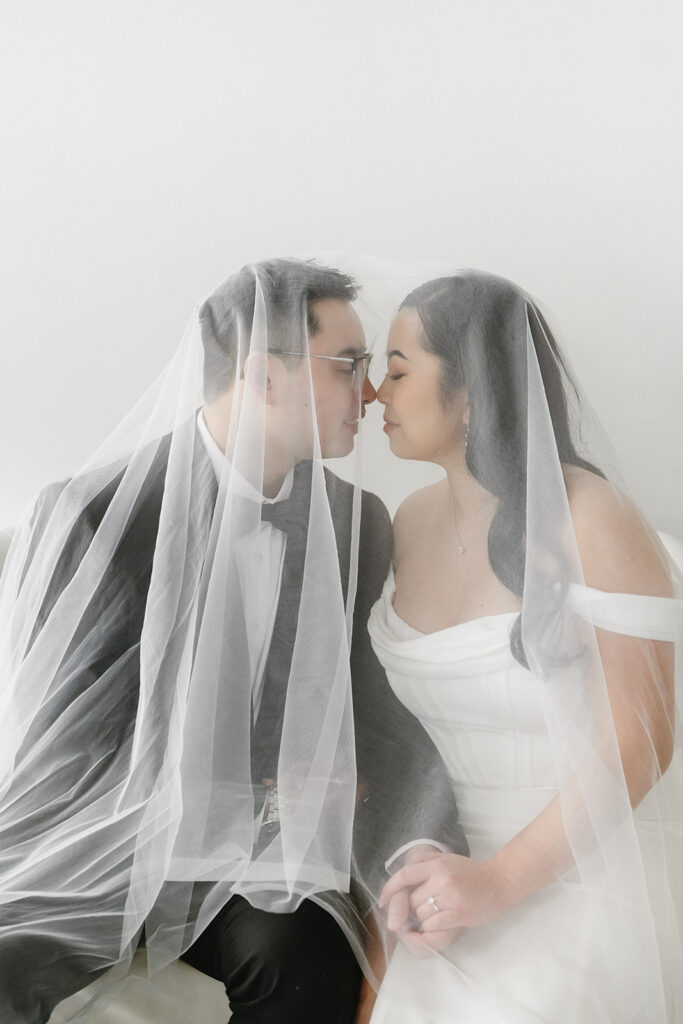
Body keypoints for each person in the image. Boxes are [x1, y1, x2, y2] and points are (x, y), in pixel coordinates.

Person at [0, 259, 465, 1024]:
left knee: (301, 963)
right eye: (349, 365)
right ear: (262, 375)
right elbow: (73, 745)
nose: (372, 391)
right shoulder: (93, 516)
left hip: (261, 858)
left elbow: (379, 712)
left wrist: (423, 840)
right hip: (108, 833)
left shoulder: (360, 525)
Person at [364, 269, 683, 1021]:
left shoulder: (591, 516)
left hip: (586, 863)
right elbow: (398, 740)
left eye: (399, 371)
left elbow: (642, 738)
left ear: (472, 394)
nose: (376, 393)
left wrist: (500, 881)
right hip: (443, 871)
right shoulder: (405, 522)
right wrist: (422, 861)